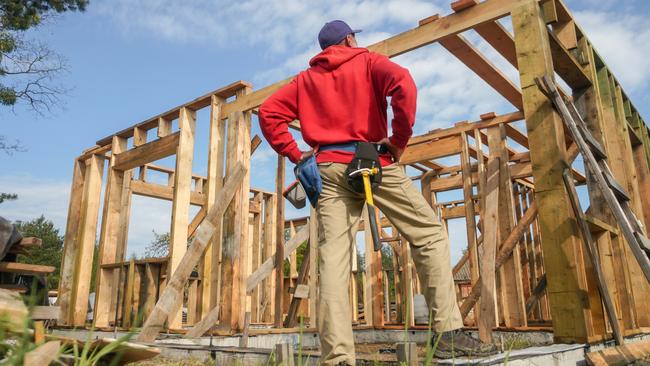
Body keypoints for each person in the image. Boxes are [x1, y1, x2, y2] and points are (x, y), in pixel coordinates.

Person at [259, 20, 497, 366]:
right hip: (370, 161)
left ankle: (339, 358)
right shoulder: (367, 61)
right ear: (350, 39)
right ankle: (446, 334)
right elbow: (404, 84)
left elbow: (268, 113)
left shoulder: (305, 81)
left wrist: (296, 154)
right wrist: (399, 141)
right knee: (428, 233)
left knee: (335, 260)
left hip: (327, 167)